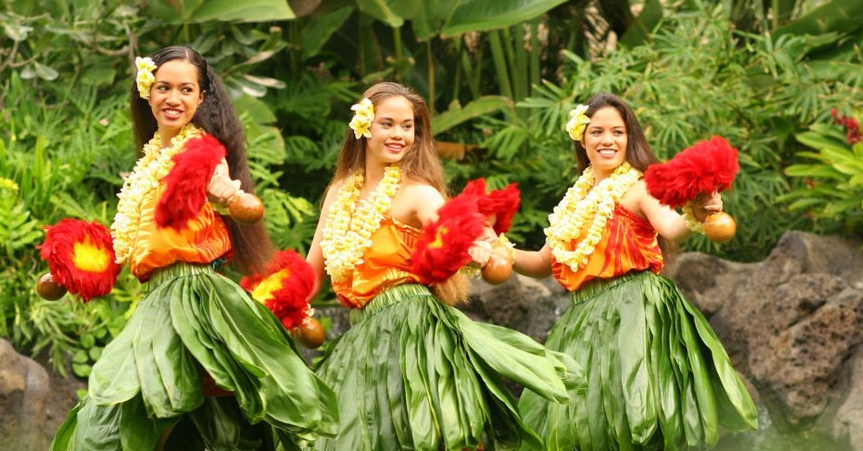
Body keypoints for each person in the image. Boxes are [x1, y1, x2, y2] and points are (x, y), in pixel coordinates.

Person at [51, 45, 337, 450]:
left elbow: (223, 190)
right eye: (164, 88)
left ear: (201, 97)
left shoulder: (201, 153)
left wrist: (227, 196)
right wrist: (72, 268)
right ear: (147, 92)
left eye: (186, 90)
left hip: (194, 298)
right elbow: (134, 239)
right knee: (161, 410)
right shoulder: (150, 163)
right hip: (157, 301)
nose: (174, 99)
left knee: (162, 401)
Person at [305, 81, 580, 450]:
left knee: (430, 436)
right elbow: (313, 269)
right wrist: (282, 303)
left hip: (413, 331)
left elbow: (473, 246)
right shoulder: (341, 192)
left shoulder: (419, 193)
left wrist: (482, 253)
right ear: (364, 125)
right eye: (388, 124)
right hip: (363, 335)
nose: (399, 135)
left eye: (408, 126)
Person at [514, 93, 758, 450]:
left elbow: (671, 228)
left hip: (635, 312)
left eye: (618, 131)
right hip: (583, 320)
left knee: (635, 414)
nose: (607, 140)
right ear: (582, 138)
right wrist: (495, 249)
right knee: (581, 425)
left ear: (630, 138)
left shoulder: (638, 187)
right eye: (597, 132)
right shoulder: (574, 202)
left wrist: (701, 213)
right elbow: (539, 264)